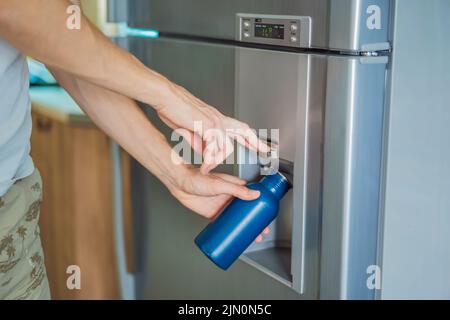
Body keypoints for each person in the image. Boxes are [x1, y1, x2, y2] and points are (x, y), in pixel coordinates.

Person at [0, 0, 268, 299]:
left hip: (12, 217)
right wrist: (169, 96)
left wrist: (175, 174)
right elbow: (18, 10)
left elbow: (63, 49)